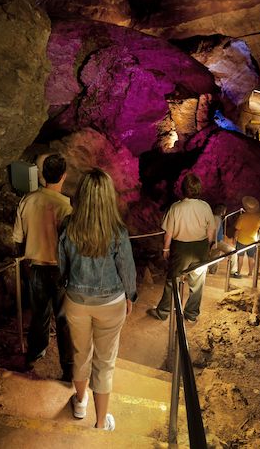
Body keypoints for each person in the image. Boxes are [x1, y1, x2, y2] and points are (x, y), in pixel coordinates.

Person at [58, 168, 137, 431]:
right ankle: (101, 423)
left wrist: (67, 285)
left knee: (81, 354)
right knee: (104, 362)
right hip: (110, 302)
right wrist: (130, 296)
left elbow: (62, 265)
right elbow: (126, 268)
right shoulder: (117, 231)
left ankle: (80, 403)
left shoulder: (69, 226)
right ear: (108, 197)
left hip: (77, 300)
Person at [13, 153, 73, 379]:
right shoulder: (65, 207)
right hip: (59, 271)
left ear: (42, 175)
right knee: (64, 319)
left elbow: (17, 238)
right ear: (64, 176)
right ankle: (68, 368)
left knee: (39, 315)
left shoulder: (27, 200)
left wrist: (23, 262)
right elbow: (70, 245)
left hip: (35, 267)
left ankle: (34, 354)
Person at [147, 173, 215, 323]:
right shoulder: (205, 207)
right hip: (200, 247)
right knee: (197, 283)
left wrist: (166, 249)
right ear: (198, 189)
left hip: (181, 249)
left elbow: (168, 233)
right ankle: (191, 314)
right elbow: (210, 231)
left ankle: (163, 312)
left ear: (183, 189)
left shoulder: (175, 208)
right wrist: (208, 246)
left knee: (173, 281)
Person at [233, 196, 260, 277]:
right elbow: (258, 228)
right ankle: (250, 273)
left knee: (240, 257)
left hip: (241, 240)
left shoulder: (242, 217)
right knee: (251, 258)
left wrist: (235, 239)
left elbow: (237, 229)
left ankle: (238, 272)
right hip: (252, 241)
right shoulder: (258, 218)